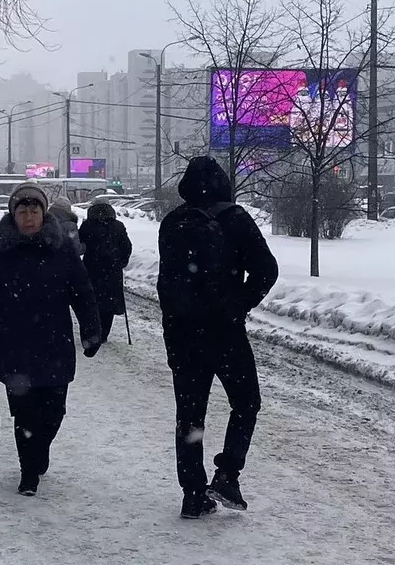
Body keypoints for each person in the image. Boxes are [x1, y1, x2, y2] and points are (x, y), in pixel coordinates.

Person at [157, 156, 279, 520]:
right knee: (246, 403)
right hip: (224, 333)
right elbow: (266, 269)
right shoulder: (235, 218)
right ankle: (227, 474)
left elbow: (168, 282)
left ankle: (193, 495)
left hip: (182, 335)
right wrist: (237, 304)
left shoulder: (172, 222)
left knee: (190, 416)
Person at [0, 182, 102, 497]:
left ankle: (39, 449)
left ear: (44, 214)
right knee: (25, 412)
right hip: (13, 346)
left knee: (54, 411)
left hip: (54, 344)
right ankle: (28, 472)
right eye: (22, 211)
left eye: (34, 211)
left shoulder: (62, 249)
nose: (28, 217)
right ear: (13, 214)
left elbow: (82, 293)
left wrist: (91, 330)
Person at [78, 202, 133, 343]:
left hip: (92, 269)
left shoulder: (87, 226)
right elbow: (127, 246)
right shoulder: (118, 226)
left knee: (91, 301)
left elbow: (80, 244)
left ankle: (93, 331)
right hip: (113, 270)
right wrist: (121, 261)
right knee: (110, 302)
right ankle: (104, 333)